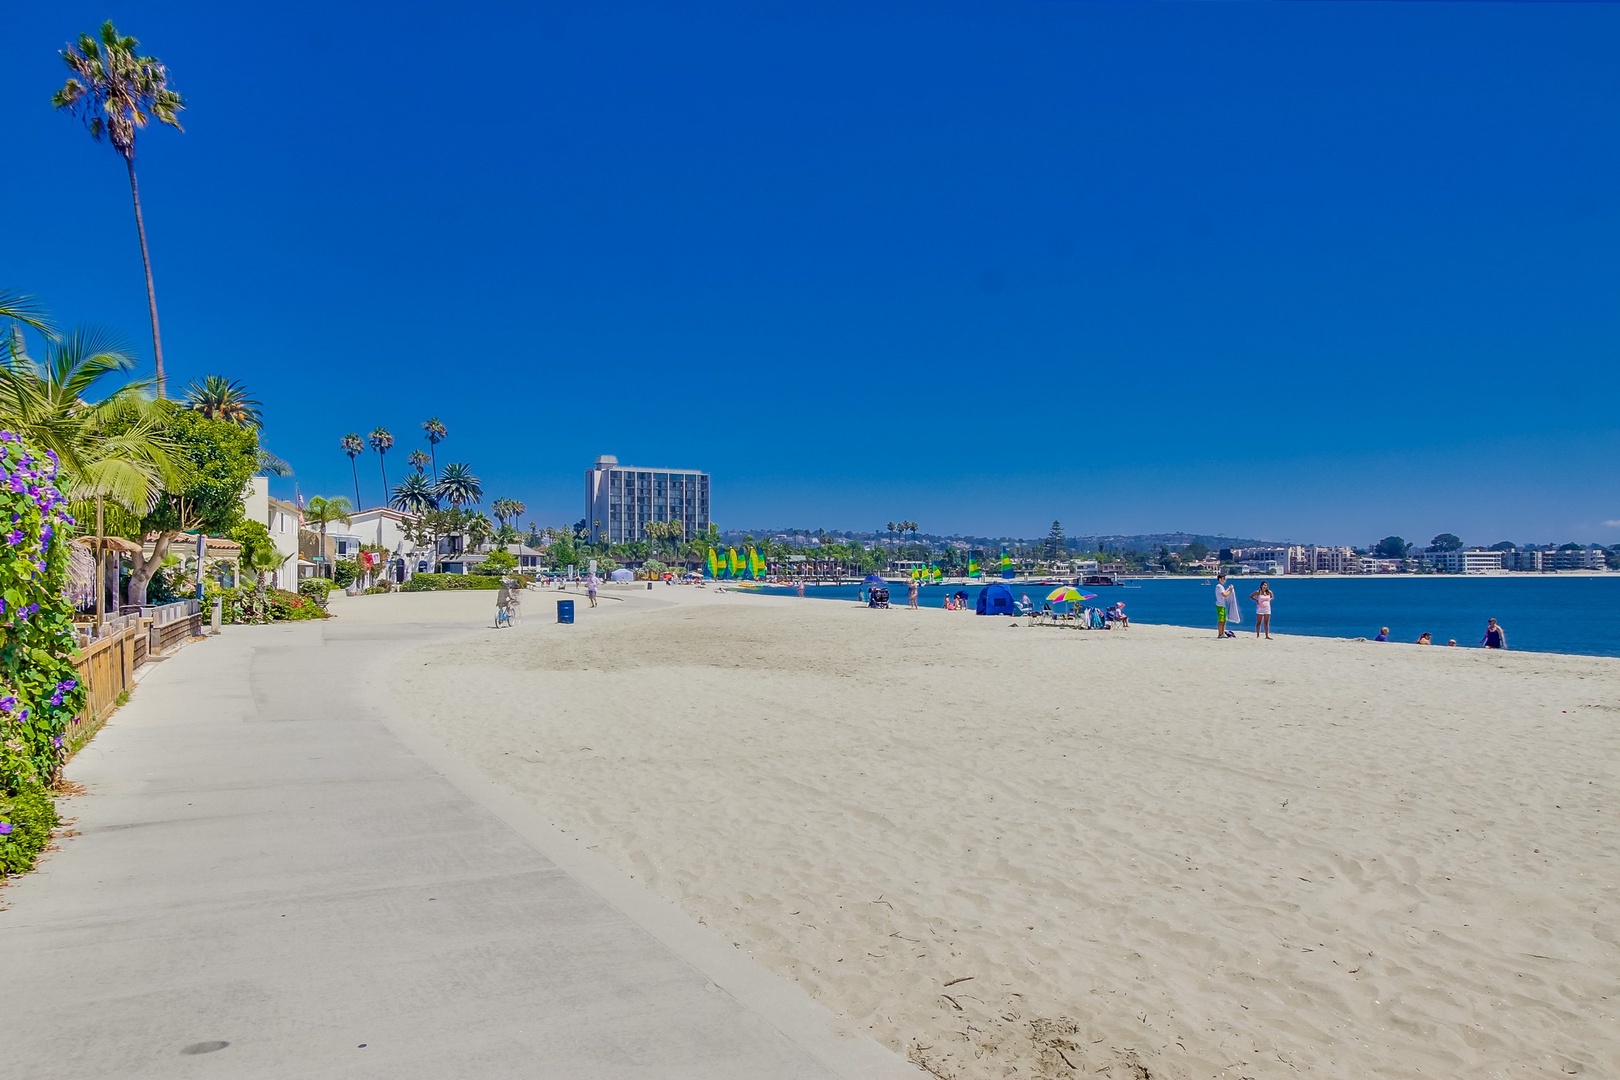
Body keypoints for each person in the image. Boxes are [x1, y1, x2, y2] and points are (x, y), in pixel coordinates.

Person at [1213, 573, 1239, 638]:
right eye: (1224, 578)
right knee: (1221, 620)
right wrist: (1230, 590)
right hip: (1220, 605)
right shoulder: (1219, 586)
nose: (1225, 580)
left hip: (1223, 605)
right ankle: (1220, 633)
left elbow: (1225, 594)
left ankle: (1222, 632)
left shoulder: (1221, 587)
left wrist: (1229, 590)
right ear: (1220, 579)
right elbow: (1224, 595)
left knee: (1224, 620)